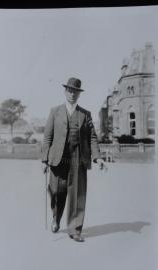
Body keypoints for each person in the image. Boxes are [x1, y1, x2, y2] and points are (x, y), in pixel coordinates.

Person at [41, 77, 106, 242]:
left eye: (75, 91)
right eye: (69, 90)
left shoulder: (85, 114)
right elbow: (47, 137)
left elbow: (92, 137)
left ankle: (75, 229)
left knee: (78, 195)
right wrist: (44, 160)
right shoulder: (55, 111)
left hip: (78, 158)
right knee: (56, 192)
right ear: (65, 92)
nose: (72, 94)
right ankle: (56, 217)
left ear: (79, 94)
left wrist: (98, 158)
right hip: (58, 159)